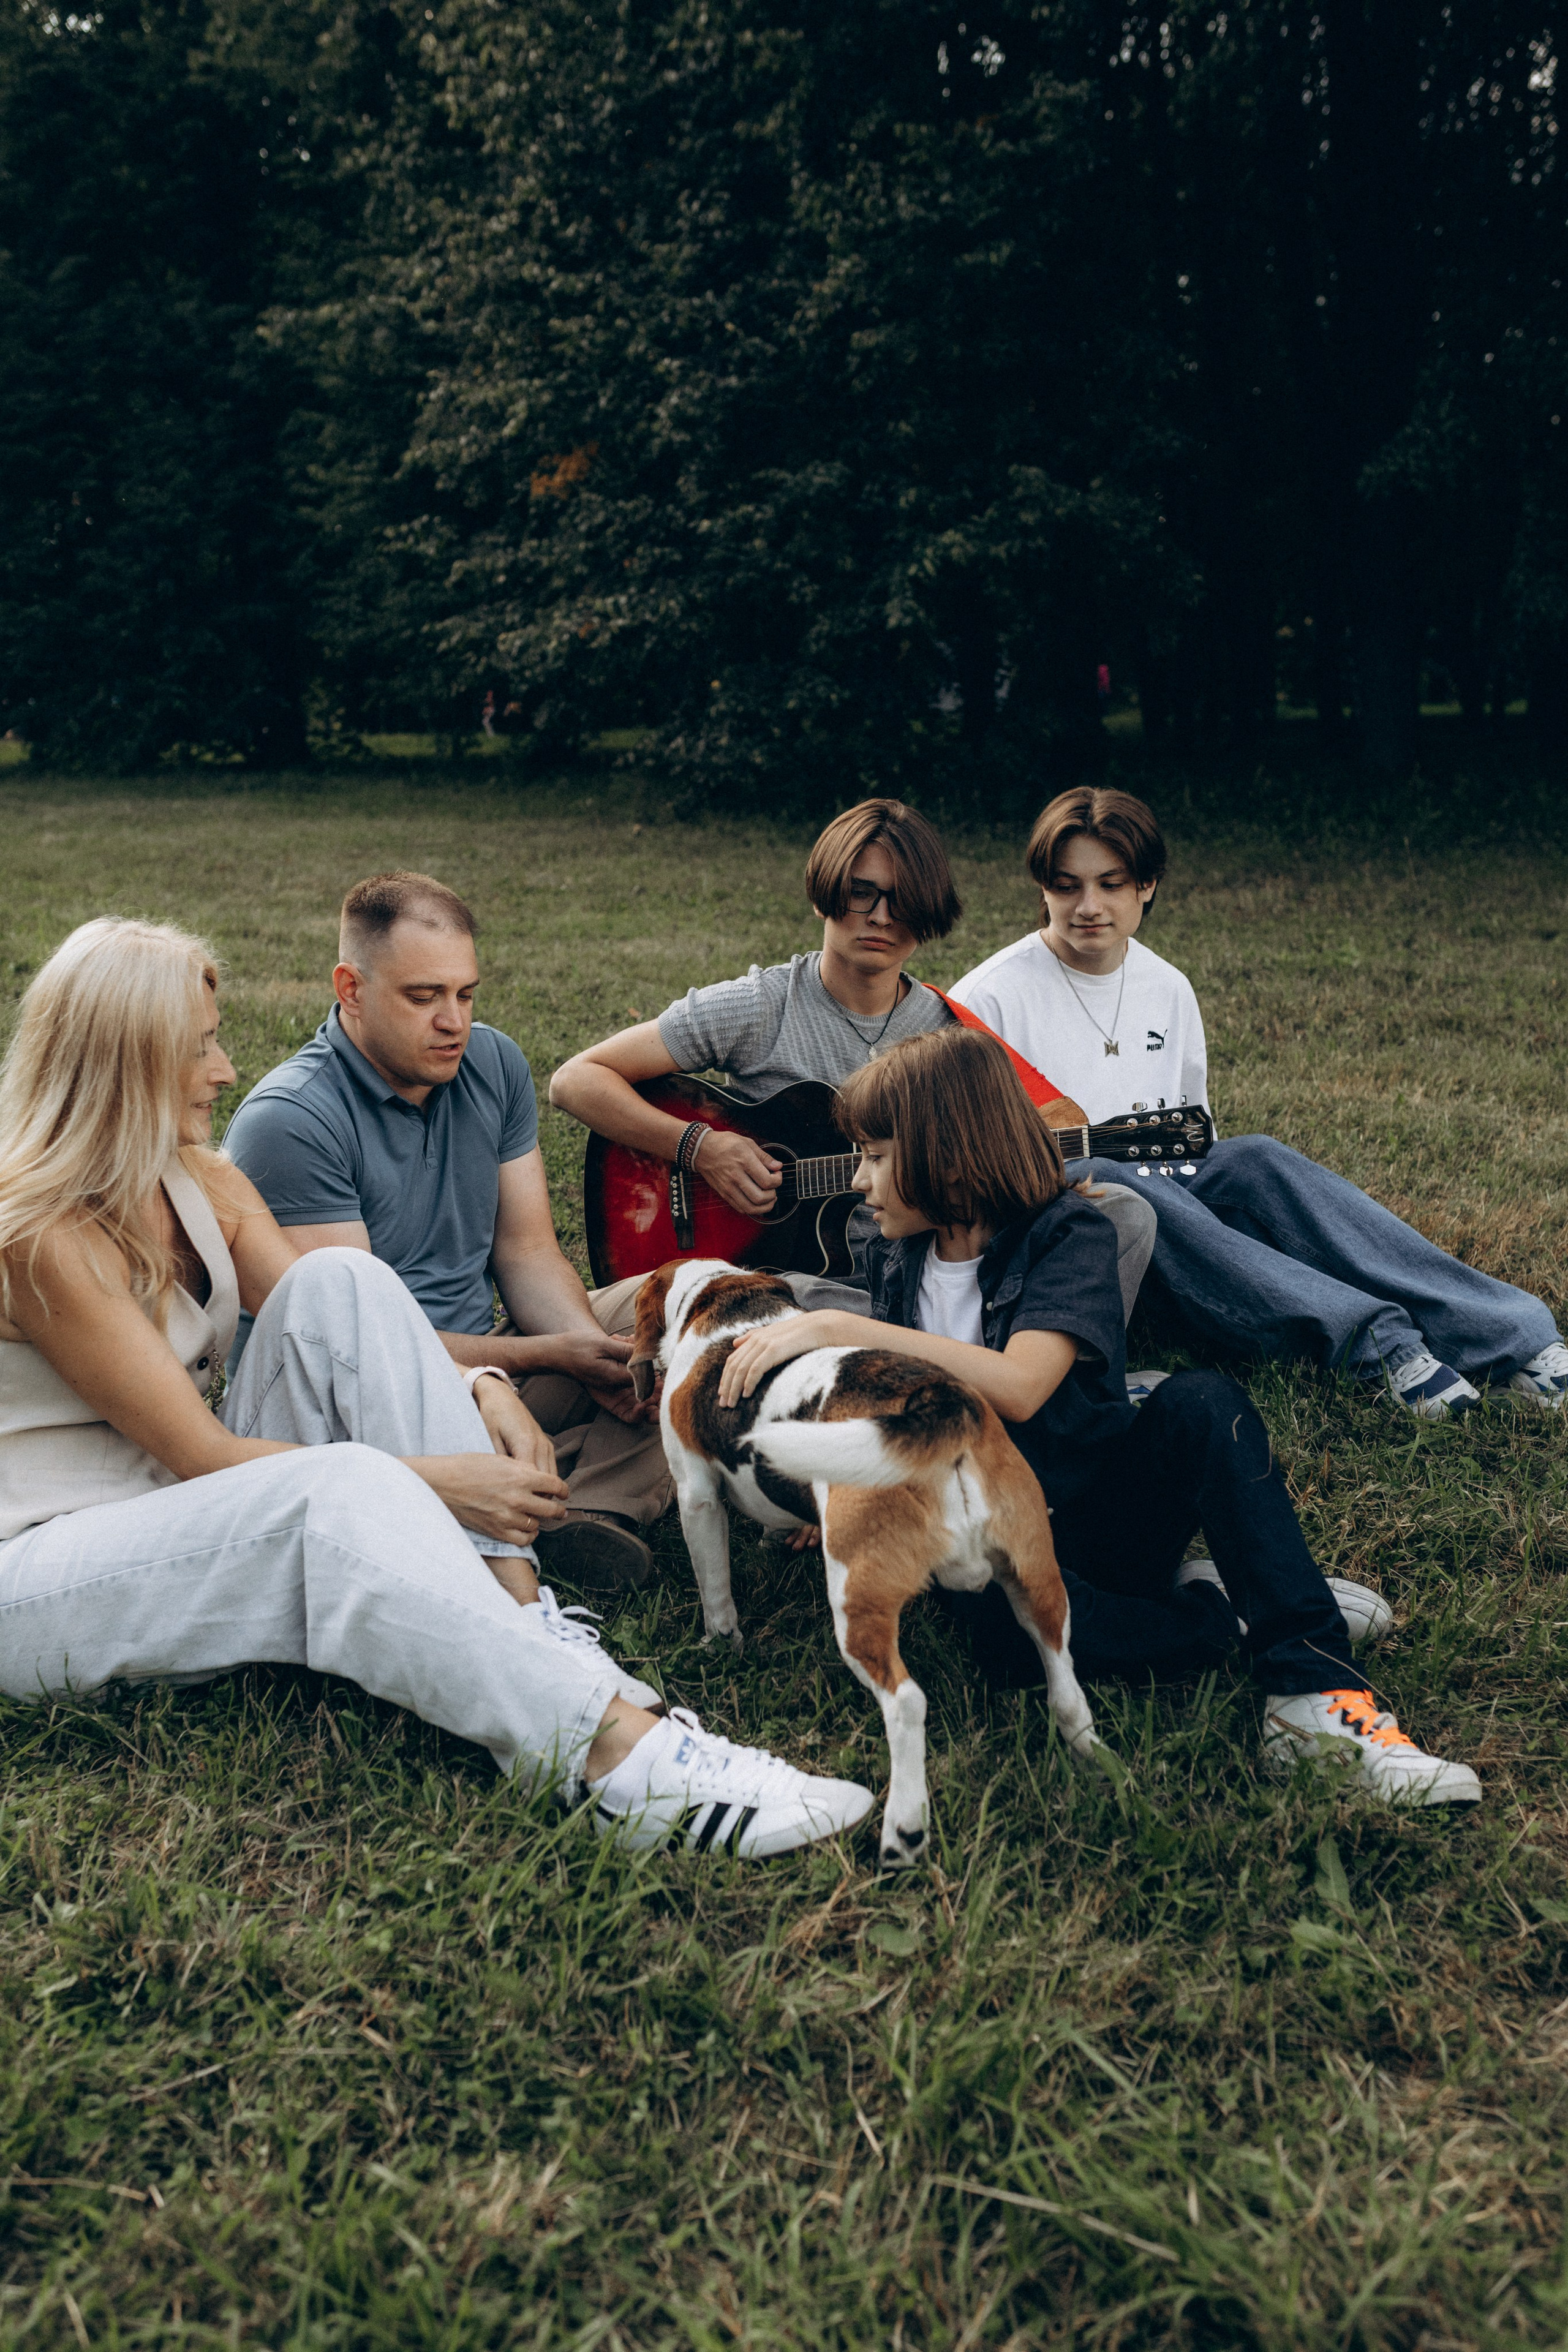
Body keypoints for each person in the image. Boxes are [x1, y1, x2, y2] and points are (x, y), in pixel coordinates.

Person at [0, 917, 872, 1859]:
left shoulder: (200, 1179)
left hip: (170, 1512)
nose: (223, 1067)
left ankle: (519, 1622)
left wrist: (492, 1385)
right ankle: (612, 1759)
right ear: (125, 1062)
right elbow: (202, 1455)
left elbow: (347, 1320)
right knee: (334, 1489)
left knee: (344, 1282)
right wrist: (440, 1480)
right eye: (200, 1046)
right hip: (44, 1570)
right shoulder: (39, 1234)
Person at [715, 1026, 1481, 1806]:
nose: (858, 1178)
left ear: (945, 1153)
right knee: (1011, 1647)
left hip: (1094, 1510)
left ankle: (1312, 1693)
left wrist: (841, 1327)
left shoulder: (1068, 1234)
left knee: (1203, 1405)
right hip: (989, 1538)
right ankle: (1228, 1608)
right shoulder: (892, 1257)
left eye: (876, 1155)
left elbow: (1020, 1388)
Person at [949, 787, 1568, 1419]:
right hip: (1068, 1250)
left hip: (1183, 1229)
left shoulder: (1165, 986)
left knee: (1255, 1160)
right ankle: (1378, 1348)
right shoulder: (989, 999)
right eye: (1066, 886)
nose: (1088, 907)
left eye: (1110, 884)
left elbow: (1191, 1137)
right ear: (1042, 889)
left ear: (1147, 886)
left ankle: (1507, 1332)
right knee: (1105, 1174)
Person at [224, 872, 666, 1593]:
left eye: (465, 994)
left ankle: (586, 1509)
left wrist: (589, 1348)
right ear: (351, 988)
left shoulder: (491, 1062)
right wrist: (545, 1355)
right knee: (565, 1395)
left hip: (498, 1370)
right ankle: (547, 1489)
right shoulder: (291, 1120)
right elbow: (359, 1347)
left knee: (678, 1320)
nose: (453, 1021)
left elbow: (526, 1251)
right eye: (423, 996)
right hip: (367, 1407)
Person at [549, 797, 1157, 1319]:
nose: (881, 917)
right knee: (757, 1303)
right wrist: (699, 1148)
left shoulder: (948, 1034)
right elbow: (577, 1080)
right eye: (861, 894)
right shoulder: (761, 1005)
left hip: (923, 1273)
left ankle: (1054, 1374)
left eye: (903, 900)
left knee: (1124, 1211)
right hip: (799, 1288)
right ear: (825, 897)